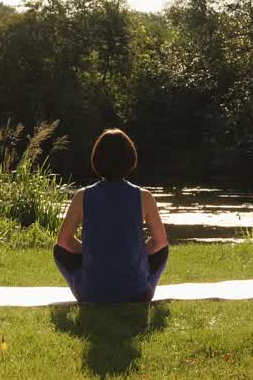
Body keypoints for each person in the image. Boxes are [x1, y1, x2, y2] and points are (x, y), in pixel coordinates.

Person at [53, 128, 169, 303]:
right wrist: (133, 253)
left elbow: (64, 243)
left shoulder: (82, 197)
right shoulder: (145, 197)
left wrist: (93, 252)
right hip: (138, 294)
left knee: (59, 252)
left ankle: (89, 282)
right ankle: (142, 282)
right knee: (162, 251)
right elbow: (160, 243)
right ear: (131, 159)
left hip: (91, 294)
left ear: (96, 160)